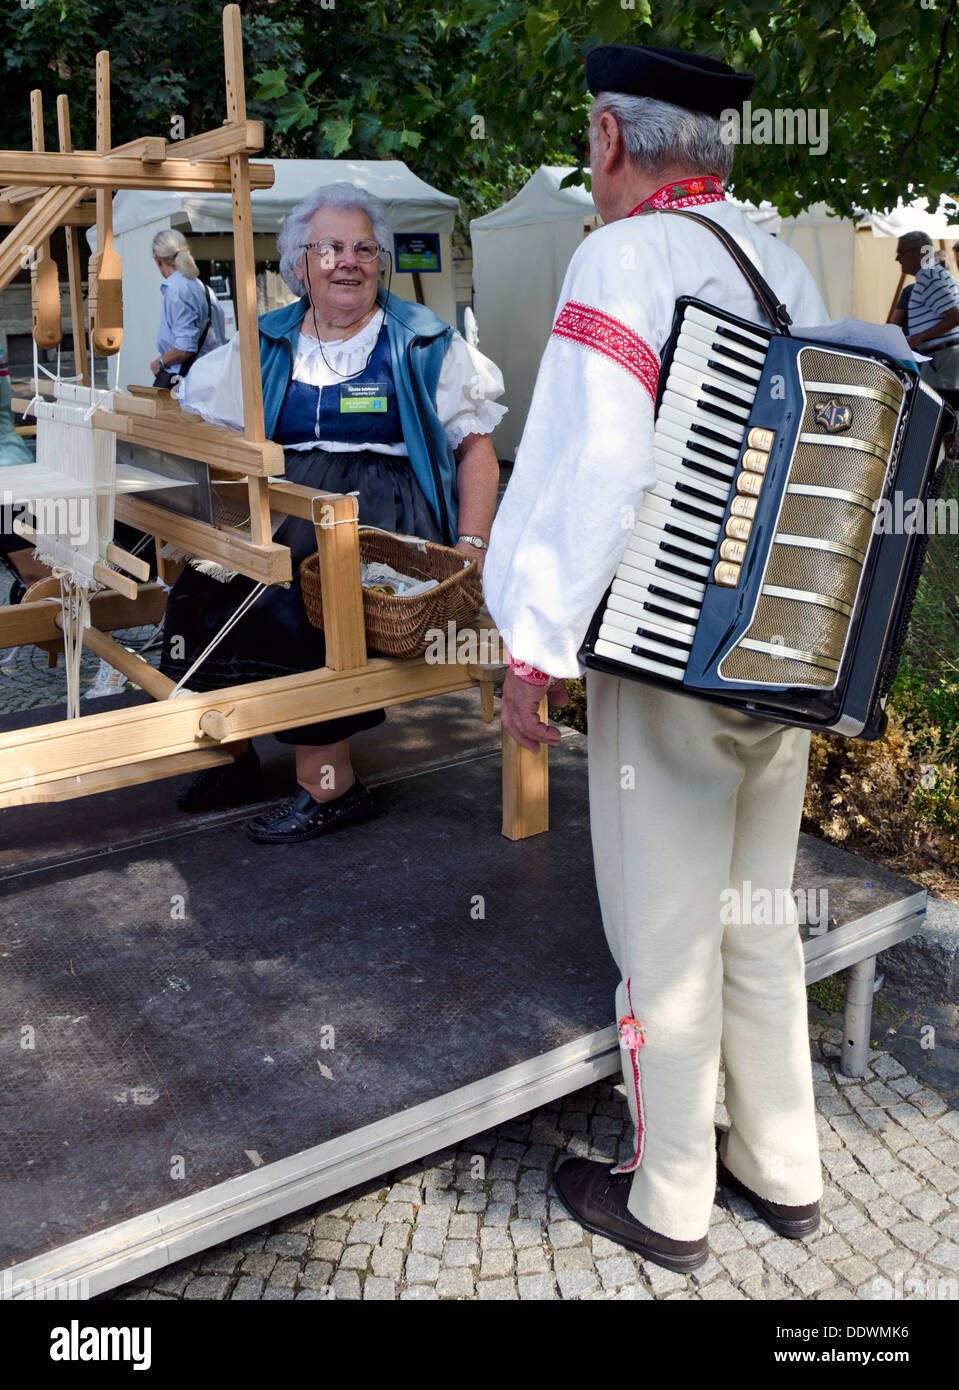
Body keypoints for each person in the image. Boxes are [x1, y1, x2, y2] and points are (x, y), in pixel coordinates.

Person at [483, 44, 830, 1271]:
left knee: (663, 930)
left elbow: (594, 468)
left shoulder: (618, 258)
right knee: (753, 912)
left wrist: (532, 647)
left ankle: (669, 1193)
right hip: (780, 652)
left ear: (610, 140)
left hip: (664, 651)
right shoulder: (781, 261)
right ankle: (782, 1165)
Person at [162, 181, 505, 843]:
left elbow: (476, 451)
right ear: (299, 263)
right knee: (200, 589)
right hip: (288, 501)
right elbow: (204, 423)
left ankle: (332, 787)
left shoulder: (424, 342)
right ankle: (232, 755)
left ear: (380, 262)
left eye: (363, 249)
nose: (348, 261)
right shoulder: (267, 340)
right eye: (331, 248)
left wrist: (472, 543)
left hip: (382, 517)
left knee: (289, 604)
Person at [149, 229, 227, 386]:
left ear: (158, 259)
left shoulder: (178, 290)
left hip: (187, 382)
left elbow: (185, 348)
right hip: (212, 376)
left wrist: (161, 362)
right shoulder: (201, 287)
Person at [896, 229, 959, 403]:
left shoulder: (928, 275)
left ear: (919, 253)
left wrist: (918, 338)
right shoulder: (933, 274)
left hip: (944, 358)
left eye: (901, 253)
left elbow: (955, 316)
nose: (897, 259)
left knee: (940, 413)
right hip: (941, 357)